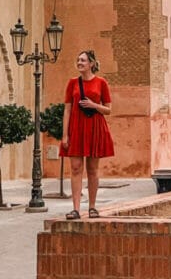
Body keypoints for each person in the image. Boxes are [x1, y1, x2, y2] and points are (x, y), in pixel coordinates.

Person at [60, 49, 114, 219]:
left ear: (91, 63)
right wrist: (65, 135)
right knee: (75, 168)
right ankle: (76, 209)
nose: (80, 63)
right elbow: (67, 110)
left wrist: (93, 105)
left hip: (94, 128)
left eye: (83, 60)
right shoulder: (72, 83)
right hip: (76, 128)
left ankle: (92, 207)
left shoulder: (101, 83)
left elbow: (108, 109)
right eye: (78, 60)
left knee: (92, 169)